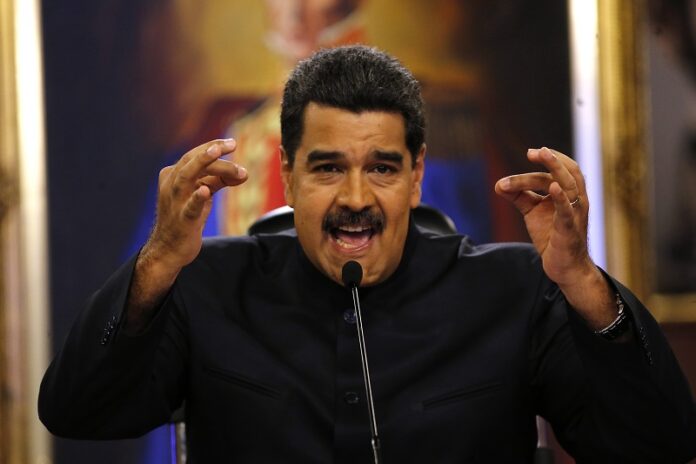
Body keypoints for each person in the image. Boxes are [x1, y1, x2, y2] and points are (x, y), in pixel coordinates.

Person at [39, 45, 696, 463]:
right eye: (327, 169)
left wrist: (584, 285)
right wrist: (156, 263)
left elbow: (656, 443)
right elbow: (77, 411)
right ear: (290, 176)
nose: (356, 197)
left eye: (382, 168)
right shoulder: (207, 284)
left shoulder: (517, 288)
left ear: (416, 176)